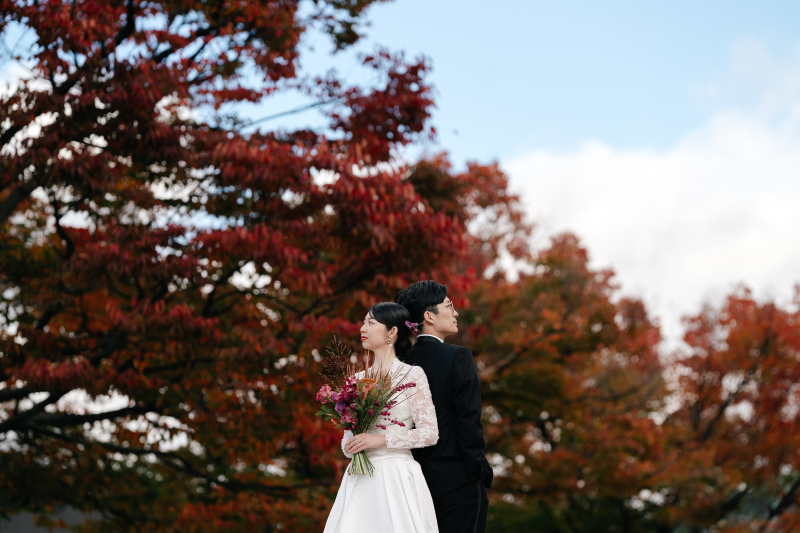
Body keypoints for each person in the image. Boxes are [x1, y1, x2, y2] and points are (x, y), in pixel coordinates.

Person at [323, 302, 440, 533]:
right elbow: (347, 446)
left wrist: (380, 440)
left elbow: (430, 433)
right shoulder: (354, 380)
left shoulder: (412, 375)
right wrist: (352, 442)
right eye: (364, 322)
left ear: (392, 332)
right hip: (359, 479)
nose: (362, 328)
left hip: (396, 476)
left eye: (370, 322)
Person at [395, 280, 493, 533]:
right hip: (456, 481)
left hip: (411, 483)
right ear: (429, 316)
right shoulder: (457, 356)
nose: (455, 312)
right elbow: (468, 419)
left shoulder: (399, 364)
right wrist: (478, 469)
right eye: (449, 306)